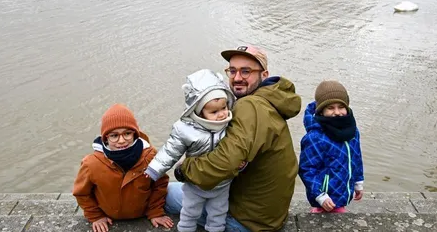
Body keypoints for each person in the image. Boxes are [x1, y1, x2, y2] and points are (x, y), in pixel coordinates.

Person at [168, 45, 302, 232]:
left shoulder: (250, 106)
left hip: (247, 222)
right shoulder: (270, 100)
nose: (237, 78)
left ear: (264, 74)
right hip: (268, 215)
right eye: (232, 70)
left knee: (166, 193)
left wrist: (185, 169)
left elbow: (226, 161)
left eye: (246, 71)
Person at [144, 69, 242, 232]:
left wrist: (241, 163)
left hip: (222, 184)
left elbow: (239, 148)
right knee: (190, 212)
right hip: (194, 184)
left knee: (218, 214)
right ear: (198, 110)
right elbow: (170, 151)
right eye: (214, 111)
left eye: (224, 107)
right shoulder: (186, 130)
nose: (221, 114)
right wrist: (155, 169)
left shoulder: (230, 125)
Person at [72, 104, 174, 232]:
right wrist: (96, 216)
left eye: (127, 133)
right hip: (108, 216)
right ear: (106, 138)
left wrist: (155, 212)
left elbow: (159, 185)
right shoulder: (91, 164)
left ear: (135, 135)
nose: (121, 141)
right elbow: (82, 193)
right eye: (114, 135)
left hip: (142, 214)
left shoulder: (150, 156)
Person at [298, 80, 364, 214]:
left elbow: (356, 158)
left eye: (341, 107)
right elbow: (307, 169)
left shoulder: (352, 131)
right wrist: (320, 195)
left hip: (343, 190)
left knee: (339, 212)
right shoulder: (315, 137)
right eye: (331, 108)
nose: (337, 112)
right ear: (321, 111)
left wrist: (358, 182)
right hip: (325, 195)